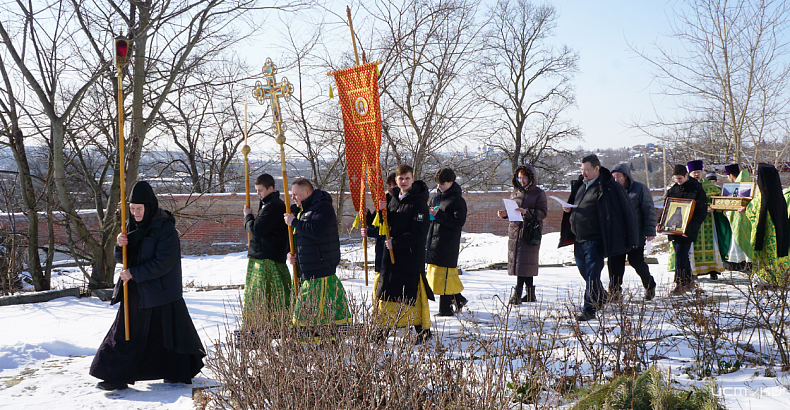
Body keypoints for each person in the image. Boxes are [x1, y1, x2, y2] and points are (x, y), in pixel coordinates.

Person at [90, 181, 205, 391]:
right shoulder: (131, 226)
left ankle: (176, 371)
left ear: (149, 206)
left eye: (139, 209)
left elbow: (165, 263)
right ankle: (114, 375)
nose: (135, 213)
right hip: (136, 289)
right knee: (125, 332)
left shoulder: (165, 228)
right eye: (132, 208)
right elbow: (122, 258)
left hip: (161, 291)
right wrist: (119, 244)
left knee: (164, 335)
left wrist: (133, 273)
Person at [559, 154, 638, 321]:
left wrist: (630, 236)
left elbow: (625, 211)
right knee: (585, 273)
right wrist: (568, 211)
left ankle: (589, 308)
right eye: (582, 170)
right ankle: (601, 296)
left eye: (587, 170)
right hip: (579, 239)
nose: (584, 173)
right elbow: (576, 205)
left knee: (593, 274)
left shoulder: (608, 187)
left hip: (596, 240)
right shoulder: (581, 185)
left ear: (597, 168)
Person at [375, 164, 434, 343]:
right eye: (401, 179)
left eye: (407, 178)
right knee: (387, 292)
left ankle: (422, 330)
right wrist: (380, 210)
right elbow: (385, 224)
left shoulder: (419, 202)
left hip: (409, 256)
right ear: (396, 181)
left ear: (412, 179)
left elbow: (419, 232)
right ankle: (381, 331)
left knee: (410, 295)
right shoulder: (393, 199)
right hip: (391, 257)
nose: (404, 181)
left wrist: (397, 243)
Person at [284, 178, 351, 331]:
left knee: (306, 309)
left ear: (307, 191)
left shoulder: (322, 207)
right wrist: (291, 252)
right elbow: (297, 237)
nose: (292, 197)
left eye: (295, 194)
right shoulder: (302, 210)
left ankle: (307, 340)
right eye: (291, 194)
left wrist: (294, 222)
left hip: (321, 267)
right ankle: (316, 340)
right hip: (307, 269)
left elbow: (317, 231)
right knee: (313, 309)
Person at [242, 174, 291, 325]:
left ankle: (269, 326)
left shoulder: (273, 206)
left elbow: (257, 229)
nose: (257, 194)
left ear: (270, 188)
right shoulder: (267, 203)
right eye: (256, 191)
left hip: (267, 257)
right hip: (264, 254)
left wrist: (248, 217)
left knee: (266, 294)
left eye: (260, 190)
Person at [496, 164, 547, 306]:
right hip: (515, 231)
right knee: (524, 264)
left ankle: (517, 294)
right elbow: (513, 211)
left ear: (531, 178)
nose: (521, 181)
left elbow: (543, 213)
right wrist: (505, 214)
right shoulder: (515, 192)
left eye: (524, 178)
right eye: (519, 178)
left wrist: (527, 212)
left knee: (523, 264)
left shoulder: (538, 193)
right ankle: (530, 294)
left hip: (530, 232)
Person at [671, 160, 730, 280]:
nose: (696, 174)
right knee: (691, 247)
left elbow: (719, 200)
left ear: (702, 172)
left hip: (708, 222)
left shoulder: (710, 187)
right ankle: (692, 271)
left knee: (711, 244)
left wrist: (713, 207)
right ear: (689, 174)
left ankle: (712, 269)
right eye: (694, 172)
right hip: (690, 222)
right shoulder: (684, 187)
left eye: (698, 172)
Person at [608, 164, 657, 301]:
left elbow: (648, 211)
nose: (616, 181)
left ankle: (649, 284)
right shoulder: (610, 190)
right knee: (615, 264)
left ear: (626, 177)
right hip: (616, 235)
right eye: (614, 178)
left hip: (636, 233)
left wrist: (650, 231)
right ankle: (615, 292)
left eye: (619, 178)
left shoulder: (639, 189)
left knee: (636, 261)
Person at [737, 163, 790, 286]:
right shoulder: (779, 195)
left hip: (765, 234)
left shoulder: (761, 197)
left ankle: (767, 279)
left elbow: (753, 213)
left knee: (765, 258)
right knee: (777, 256)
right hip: (779, 234)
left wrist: (745, 210)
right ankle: (781, 278)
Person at [425, 168, 468, 316]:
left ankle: (446, 309)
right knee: (437, 275)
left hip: (448, 243)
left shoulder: (458, 200)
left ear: (451, 182)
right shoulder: (435, 197)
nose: (439, 187)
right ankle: (458, 299)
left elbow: (458, 223)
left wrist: (440, 215)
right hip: (433, 241)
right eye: (438, 184)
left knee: (445, 276)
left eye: (442, 183)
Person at [664, 165, 708, 295]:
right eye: (676, 179)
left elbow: (701, 212)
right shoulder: (673, 190)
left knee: (680, 255)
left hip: (689, 229)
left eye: (680, 178)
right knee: (681, 254)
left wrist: (690, 229)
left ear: (686, 175)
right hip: (674, 228)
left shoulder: (696, 189)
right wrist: (661, 223)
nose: (678, 181)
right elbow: (667, 208)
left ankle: (680, 283)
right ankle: (688, 281)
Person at [362, 173, 397, 298]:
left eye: (394, 185)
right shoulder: (383, 199)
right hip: (380, 248)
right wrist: (368, 217)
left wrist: (370, 233)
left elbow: (388, 228)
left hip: (393, 247)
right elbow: (377, 223)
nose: (391, 187)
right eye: (389, 185)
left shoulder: (399, 202)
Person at [723, 164, 751, 272]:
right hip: (748, 220)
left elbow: (729, 205)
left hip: (738, 220)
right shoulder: (748, 183)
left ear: (730, 175)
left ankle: (739, 263)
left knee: (737, 241)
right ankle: (747, 263)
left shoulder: (735, 187)